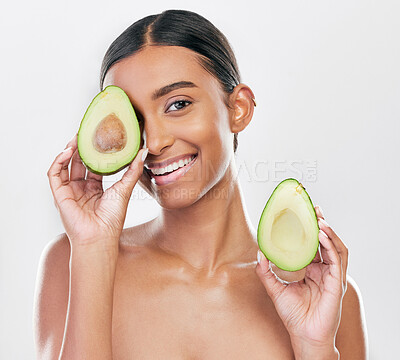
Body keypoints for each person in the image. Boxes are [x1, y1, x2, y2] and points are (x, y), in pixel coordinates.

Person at [33, 9, 368, 359]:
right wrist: (92, 247)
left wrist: (314, 345)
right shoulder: (73, 262)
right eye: (133, 119)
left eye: (177, 104)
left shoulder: (324, 295)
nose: (156, 141)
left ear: (238, 109)